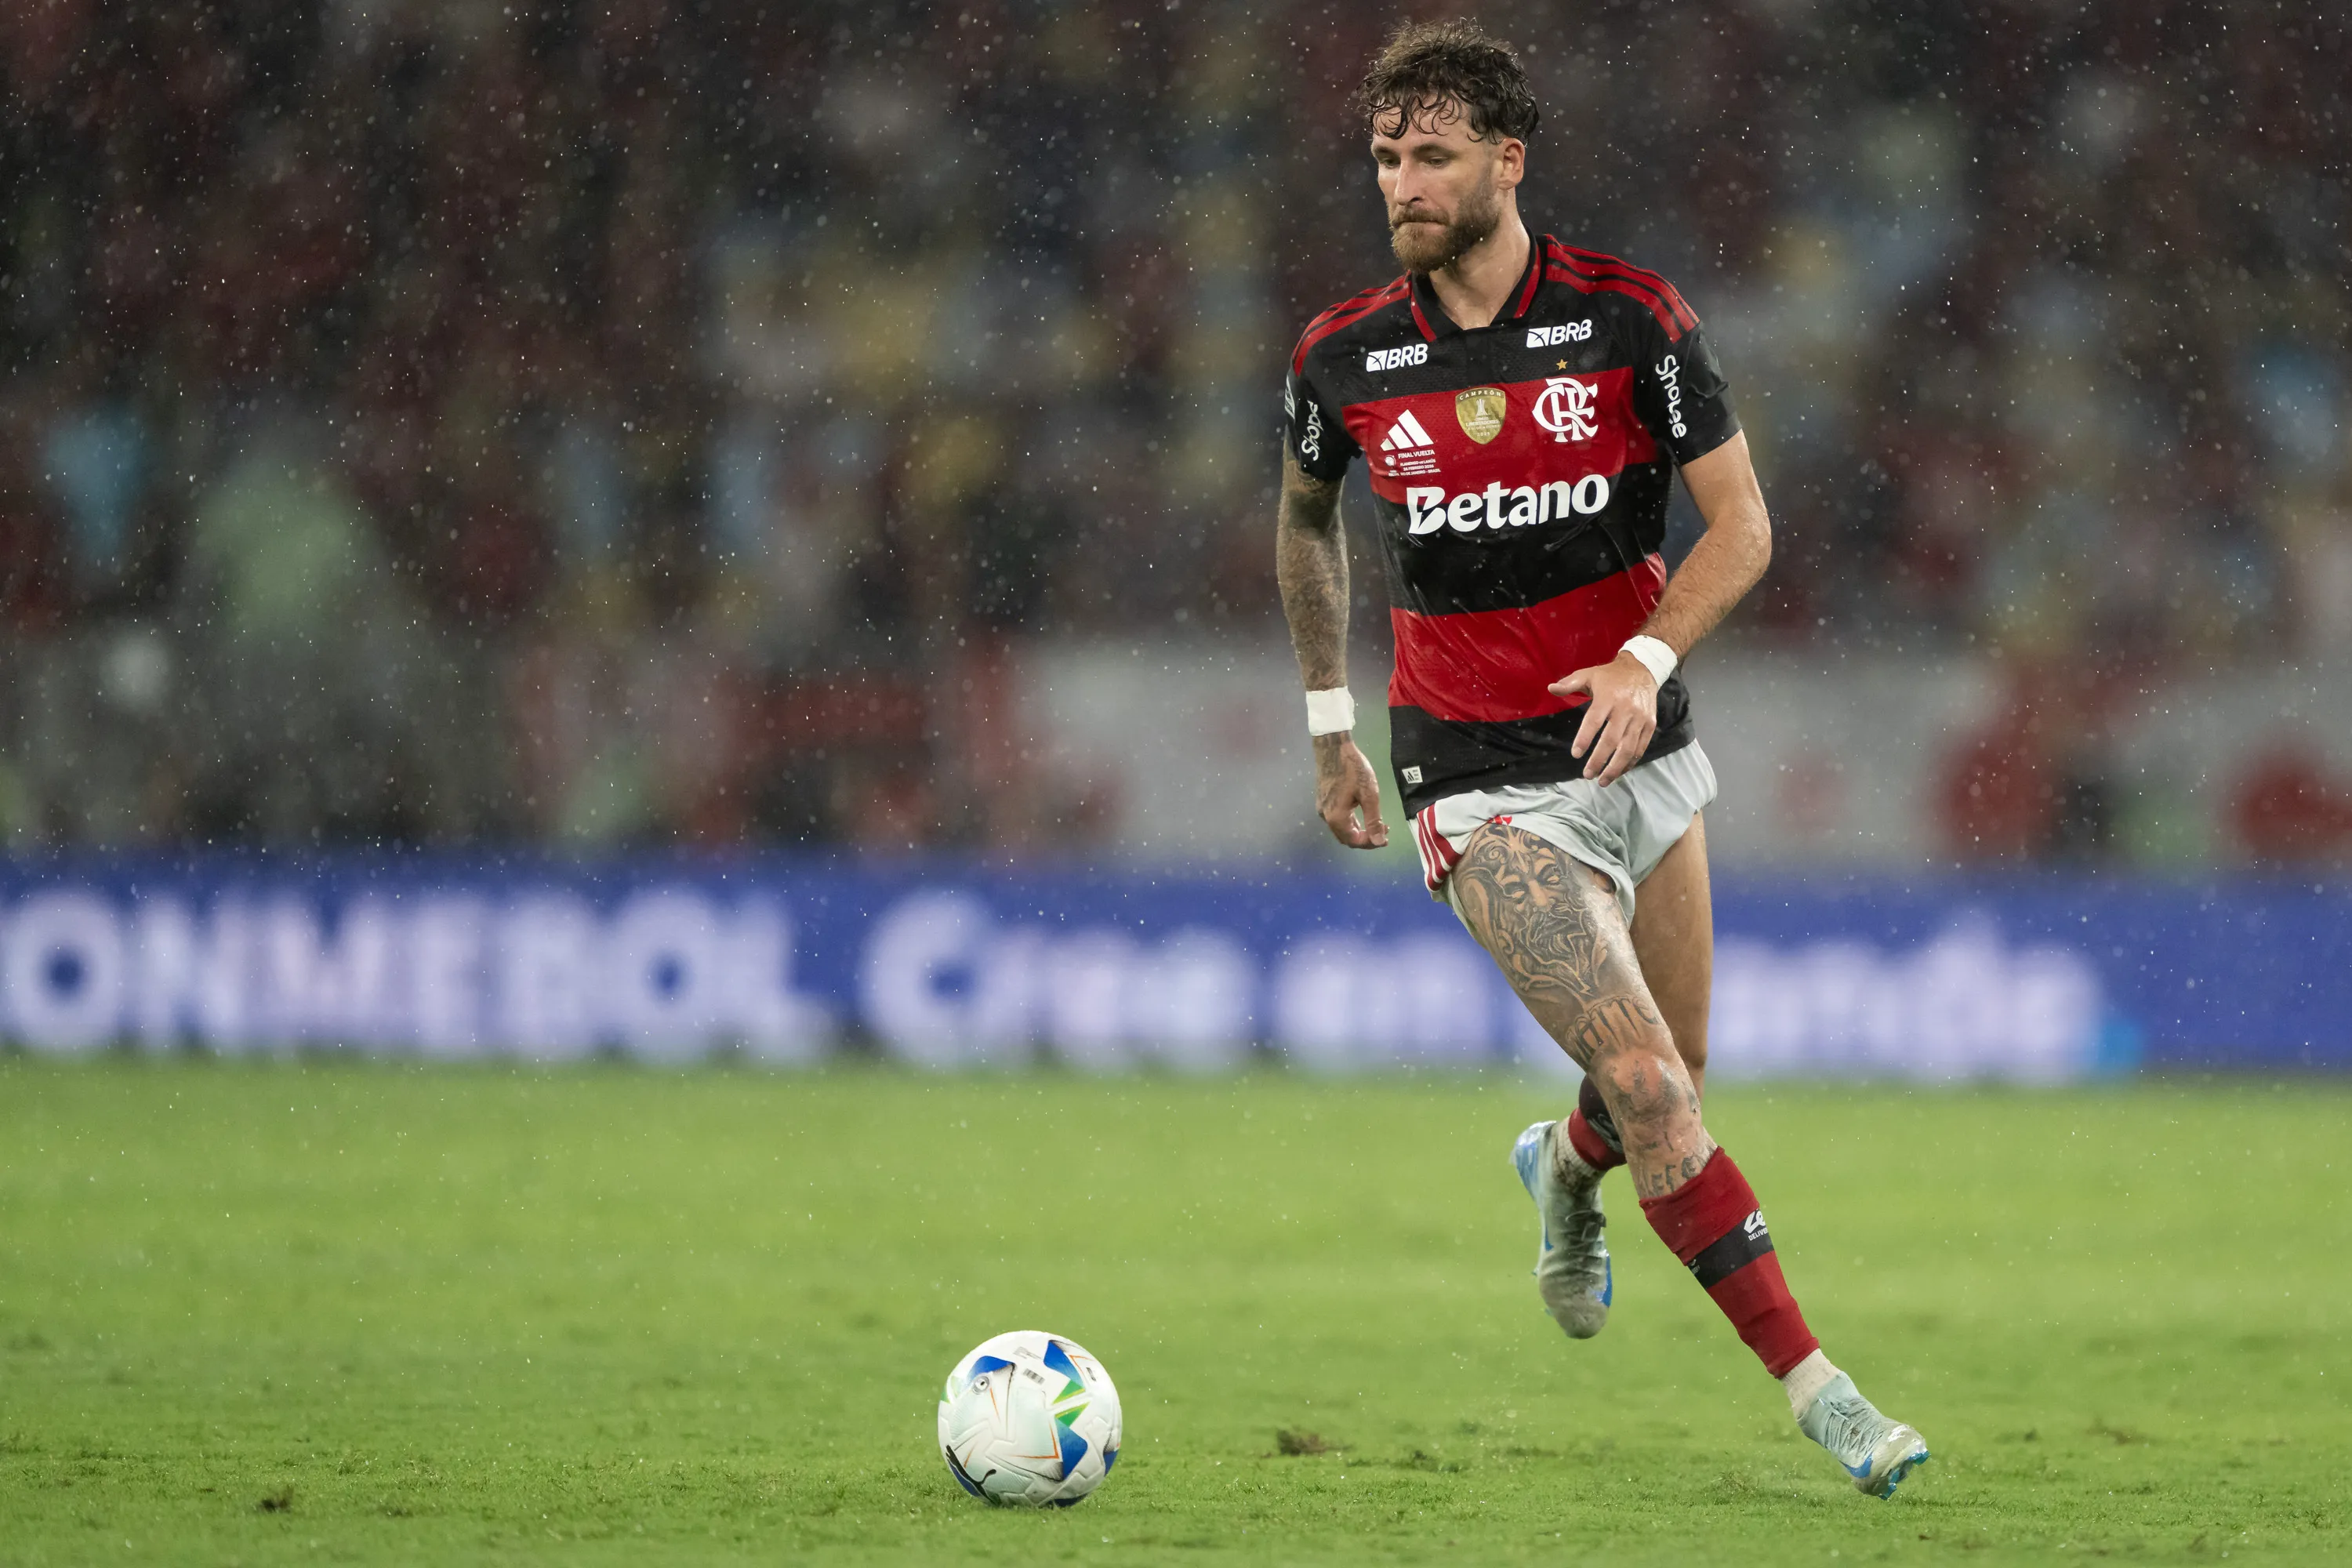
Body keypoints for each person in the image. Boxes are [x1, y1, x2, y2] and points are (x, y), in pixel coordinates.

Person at [1273, 20, 1930, 1498]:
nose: (1403, 182)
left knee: (1669, 1081)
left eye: (1432, 154)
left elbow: (1744, 526)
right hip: (1477, 774)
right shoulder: (1345, 353)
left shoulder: (1632, 321)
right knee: (1648, 1076)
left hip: (1639, 744)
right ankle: (1825, 1395)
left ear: (1508, 160)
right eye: (1386, 156)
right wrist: (1331, 726)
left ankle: (1564, 1173)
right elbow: (1306, 517)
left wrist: (1646, 658)